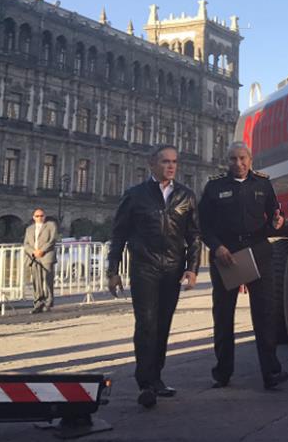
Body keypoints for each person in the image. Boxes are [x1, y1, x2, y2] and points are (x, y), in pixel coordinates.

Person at [107, 144, 201, 409]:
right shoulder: (135, 196)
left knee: (163, 324)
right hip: (144, 267)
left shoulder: (186, 196)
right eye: (165, 161)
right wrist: (112, 271)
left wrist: (192, 268)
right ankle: (145, 382)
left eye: (174, 162)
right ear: (152, 164)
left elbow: (194, 235)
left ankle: (157, 377)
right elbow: (119, 234)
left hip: (172, 269)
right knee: (146, 323)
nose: (170, 166)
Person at [198, 141, 288, 390]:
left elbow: (274, 215)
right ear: (226, 162)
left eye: (242, 159)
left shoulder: (263, 183)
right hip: (227, 255)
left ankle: (271, 372)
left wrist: (278, 223)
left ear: (250, 159)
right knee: (224, 316)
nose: (238, 164)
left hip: (258, 251)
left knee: (266, 314)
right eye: (232, 159)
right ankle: (223, 373)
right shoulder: (215, 187)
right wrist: (217, 248)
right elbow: (203, 225)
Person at [22, 208, 58, 314]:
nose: (39, 218)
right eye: (37, 216)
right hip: (34, 257)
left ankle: (48, 302)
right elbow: (26, 244)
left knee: (47, 280)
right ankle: (38, 303)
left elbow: (52, 240)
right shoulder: (29, 229)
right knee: (36, 281)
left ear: (44, 216)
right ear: (33, 217)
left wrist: (42, 250)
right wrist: (33, 252)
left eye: (41, 215)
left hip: (46, 256)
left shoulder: (51, 225)